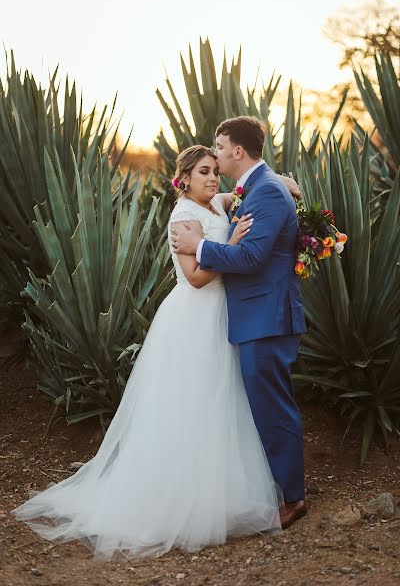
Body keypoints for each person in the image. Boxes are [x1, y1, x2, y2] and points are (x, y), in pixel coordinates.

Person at [13, 145, 294, 560]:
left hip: (223, 318)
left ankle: (221, 493)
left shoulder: (216, 202)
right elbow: (196, 278)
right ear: (184, 178)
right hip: (194, 318)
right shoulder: (183, 217)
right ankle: (179, 500)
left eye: (216, 171)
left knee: (221, 402)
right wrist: (231, 245)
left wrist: (287, 184)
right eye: (204, 172)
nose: (214, 179)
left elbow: (254, 189)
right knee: (191, 405)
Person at [171, 117, 307, 529]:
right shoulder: (258, 188)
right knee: (263, 406)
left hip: (265, 318)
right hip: (253, 316)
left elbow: (250, 258)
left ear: (238, 152)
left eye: (220, 145)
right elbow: (231, 204)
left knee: (273, 407)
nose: (215, 151)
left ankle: (294, 498)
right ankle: (283, 487)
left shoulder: (264, 192)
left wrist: (202, 246)